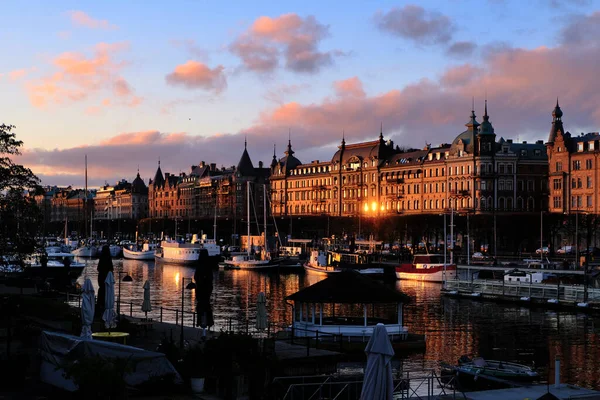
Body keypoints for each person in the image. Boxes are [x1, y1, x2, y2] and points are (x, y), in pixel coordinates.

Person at [96, 245, 113, 317]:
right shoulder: (109, 259)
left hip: (101, 277)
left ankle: (100, 305)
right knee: (107, 292)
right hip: (107, 278)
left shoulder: (101, 258)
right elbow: (111, 269)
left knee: (101, 290)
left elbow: (98, 268)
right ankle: (106, 307)